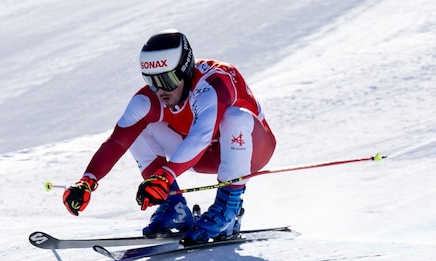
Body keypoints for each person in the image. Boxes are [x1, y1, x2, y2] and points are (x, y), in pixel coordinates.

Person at [62, 29, 276, 246]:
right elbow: (118, 140)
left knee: (234, 116)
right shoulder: (149, 98)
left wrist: (164, 176)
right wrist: (87, 181)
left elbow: (201, 136)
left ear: (186, 71)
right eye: (152, 80)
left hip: (251, 152)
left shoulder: (214, 83)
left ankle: (228, 208)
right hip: (201, 157)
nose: (161, 89)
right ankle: (174, 207)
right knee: (139, 126)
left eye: (168, 79)